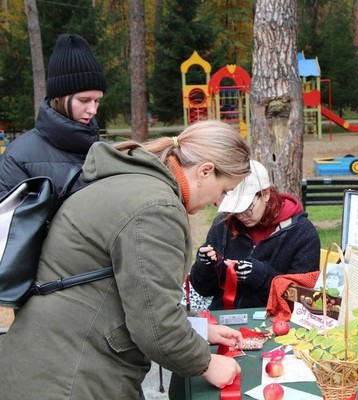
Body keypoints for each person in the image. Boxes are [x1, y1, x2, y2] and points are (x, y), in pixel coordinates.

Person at [0, 120, 251, 399]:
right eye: (225, 190)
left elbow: (136, 296)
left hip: (53, 359)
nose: (219, 202)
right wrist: (206, 363)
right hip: (72, 376)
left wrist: (199, 330)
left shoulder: (131, 183)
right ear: (205, 171)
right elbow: (156, 326)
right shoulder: (156, 207)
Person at [190, 160, 321, 310]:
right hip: (222, 316)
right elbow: (204, 289)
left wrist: (261, 275)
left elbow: (302, 298)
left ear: (265, 194)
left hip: (275, 320)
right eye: (235, 210)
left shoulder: (302, 233)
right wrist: (205, 266)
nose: (240, 216)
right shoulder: (224, 223)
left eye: (247, 208)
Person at [0, 33, 107, 197]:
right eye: (84, 100)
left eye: (97, 100)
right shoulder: (17, 158)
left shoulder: (108, 150)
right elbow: (13, 221)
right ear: (58, 98)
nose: (93, 110)